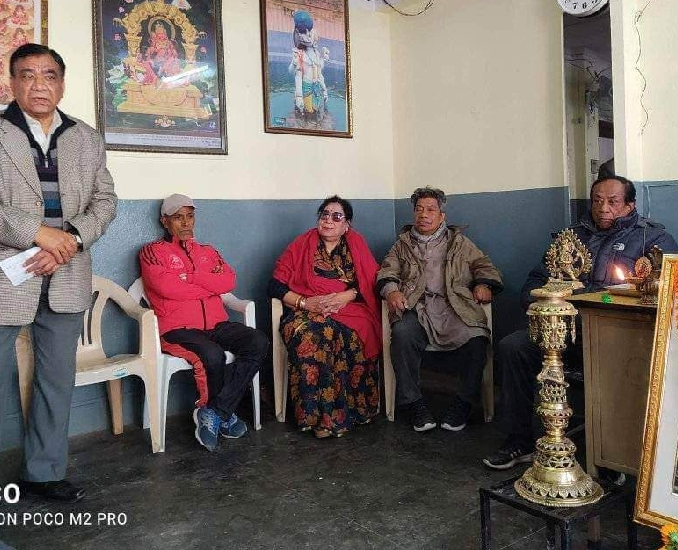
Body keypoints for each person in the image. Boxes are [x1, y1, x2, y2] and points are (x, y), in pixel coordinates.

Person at [0, 43, 117, 502]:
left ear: (62, 83)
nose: (39, 85)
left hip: (67, 274)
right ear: (12, 82)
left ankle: (45, 472)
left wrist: (70, 241)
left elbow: (105, 201)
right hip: (1, 277)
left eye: (49, 76)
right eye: (27, 75)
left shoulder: (87, 138)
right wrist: (38, 234)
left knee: (56, 380)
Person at [483, 175, 678, 469]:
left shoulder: (651, 240)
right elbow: (534, 282)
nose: (603, 208)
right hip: (564, 332)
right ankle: (518, 440)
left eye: (613, 202)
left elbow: (664, 292)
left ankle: (616, 456)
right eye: (597, 201)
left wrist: (586, 295)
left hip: (618, 337)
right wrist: (543, 300)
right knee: (514, 346)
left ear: (630, 205)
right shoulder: (571, 237)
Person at [139, 194, 269, 452]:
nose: (186, 223)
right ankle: (222, 415)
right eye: (178, 217)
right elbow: (167, 288)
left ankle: (217, 411)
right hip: (178, 329)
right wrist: (209, 285)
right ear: (165, 221)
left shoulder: (208, 252)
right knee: (211, 354)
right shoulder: (152, 252)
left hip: (216, 325)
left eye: (190, 216)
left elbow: (228, 281)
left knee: (258, 341)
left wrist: (191, 277)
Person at [377, 187, 503, 433]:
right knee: (402, 334)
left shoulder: (459, 242)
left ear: (442, 215)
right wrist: (391, 291)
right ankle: (414, 404)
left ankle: (463, 404)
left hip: (454, 307)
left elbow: (484, 265)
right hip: (417, 307)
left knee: (477, 339)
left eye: (430, 210)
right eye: (419, 209)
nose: (423, 215)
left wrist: (484, 284)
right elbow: (387, 271)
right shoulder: (402, 244)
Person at [268, 196, 382, 438]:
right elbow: (274, 286)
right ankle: (317, 418)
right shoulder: (302, 244)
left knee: (347, 334)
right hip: (305, 310)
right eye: (324, 214)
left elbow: (371, 281)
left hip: (349, 310)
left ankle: (348, 414)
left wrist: (347, 295)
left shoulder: (356, 244)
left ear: (346, 225)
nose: (329, 220)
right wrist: (304, 302)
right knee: (313, 334)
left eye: (337, 216)